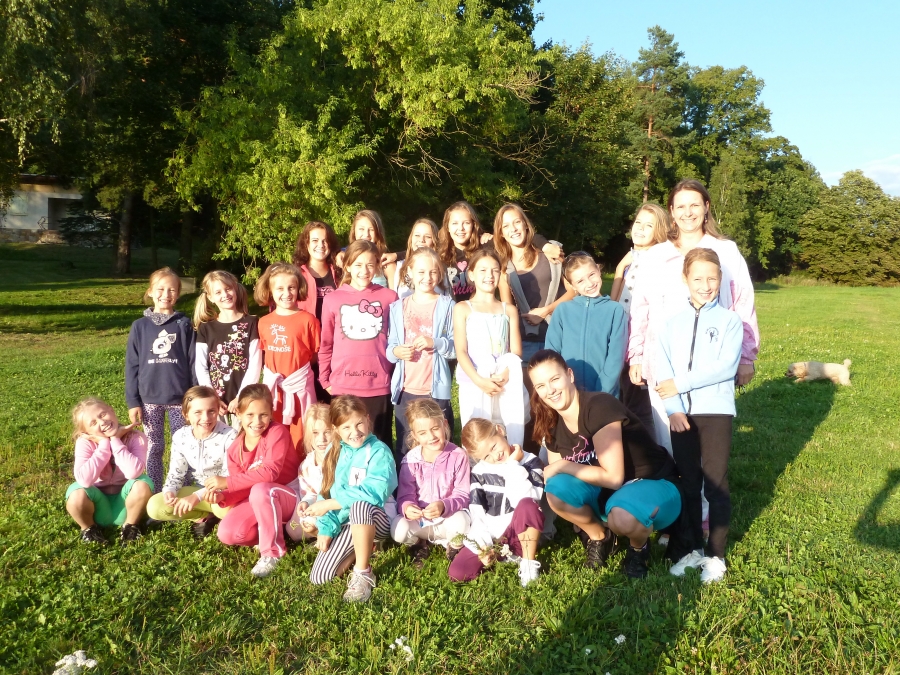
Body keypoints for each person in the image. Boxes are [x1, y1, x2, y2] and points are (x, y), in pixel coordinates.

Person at [628, 179, 759, 451]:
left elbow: (743, 303)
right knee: (669, 439)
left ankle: (704, 481)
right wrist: (637, 355)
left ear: (706, 207)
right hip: (663, 360)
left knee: (705, 445)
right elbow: (640, 307)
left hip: (710, 363)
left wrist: (746, 357)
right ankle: (675, 479)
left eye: (695, 205)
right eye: (681, 207)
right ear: (671, 211)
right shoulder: (656, 255)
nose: (688, 213)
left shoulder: (726, 251)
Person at [528, 349, 682, 579]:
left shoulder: (599, 406)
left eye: (554, 379)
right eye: (540, 386)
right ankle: (600, 537)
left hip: (654, 483)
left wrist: (563, 465)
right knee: (556, 490)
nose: (550, 390)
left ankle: (638, 549)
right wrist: (558, 471)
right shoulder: (550, 421)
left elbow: (613, 477)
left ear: (570, 375)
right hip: (609, 495)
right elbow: (559, 481)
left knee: (622, 516)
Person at [656, 248, 742, 583]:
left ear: (720, 279)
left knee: (715, 483)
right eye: (698, 279)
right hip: (681, 416)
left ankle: (716, 555)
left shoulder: (730, 322)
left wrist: (681, 383)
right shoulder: (671, 324)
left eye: (712, 278)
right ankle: (691, 548)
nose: (705, 286)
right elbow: (663, 368)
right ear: (685, 279)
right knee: (689, 483)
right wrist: (674, 409)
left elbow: (725, 367)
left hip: (716, 412)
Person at [307, 395, 398, 603]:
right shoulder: (333, 451)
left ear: (367, 419)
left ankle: (363, 573)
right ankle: (360, 548)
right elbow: (326, 491)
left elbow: (375, 491)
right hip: (347, 521)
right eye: (346, 427)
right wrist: (326, 528)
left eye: (359, 424)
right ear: (336, 429)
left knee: (360, 506)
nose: (355, 432)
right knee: (320, 578)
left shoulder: (379, 451)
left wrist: (332, 504)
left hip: (378, 518)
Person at [208, 385, 301, 578]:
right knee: (228, 533)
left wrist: (227, 482)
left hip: (290, 497)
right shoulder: (234, 450)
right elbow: (241, 486)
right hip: (260, 498)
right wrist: (223, 496)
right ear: (238, 414)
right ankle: (273, 530)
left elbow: (270, 473)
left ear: (271, 413)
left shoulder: (277, 432)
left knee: (261, 489)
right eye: (250, 415)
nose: (257, 421)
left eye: (263, 415)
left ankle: (272, 552)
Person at [318, 240, 398, 447]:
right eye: (358, 265)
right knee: (347, 443)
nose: (364, 271)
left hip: (378, 385)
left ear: (377, 266)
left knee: (379, 443)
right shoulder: (333, 299)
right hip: (343, 386)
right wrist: (325, 380)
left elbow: (396, 340)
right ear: (347, 266)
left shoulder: (389, 297)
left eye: (370, 265)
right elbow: (326, 343)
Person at [125, 267, 196, 493]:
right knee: (154, 446)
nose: (166, 294)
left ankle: (183, 490)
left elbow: (193, 361)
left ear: (178, 294)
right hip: (149, 400)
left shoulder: (184, 324)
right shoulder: (140, 326)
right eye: (161, 289)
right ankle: (154, 491)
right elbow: (132, 366)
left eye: (172, 290)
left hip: (180, 399)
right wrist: (133, 401)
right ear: (150, 291)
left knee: (183, 446)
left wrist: (194, 396)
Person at [451, 418, 544, 587]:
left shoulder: (530, 461)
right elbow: (478, 513)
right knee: (458, 572)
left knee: (527, 505)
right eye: (486, 456)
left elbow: (529, 499)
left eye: (493, 447)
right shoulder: (479, 471)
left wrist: (513, 465)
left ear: (500, 431)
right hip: (493, 536)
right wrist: (482, 548)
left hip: (519, 533)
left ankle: (528, 564)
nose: (495, 456)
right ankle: (498, 557)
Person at [386, 247, 456, 461]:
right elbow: (390, 348)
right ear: (409, 273)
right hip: (406, 389)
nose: (427, 277)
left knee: (439, 444)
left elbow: (456, 347)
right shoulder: (397, 307)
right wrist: (397, 352)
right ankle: (407, 482)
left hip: (434, 390)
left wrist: (435, 342)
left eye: (433, 272)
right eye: (421, 272)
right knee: (406, 446)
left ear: (440, 273)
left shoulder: (447, 305)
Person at [453, 249, 528, 445]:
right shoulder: (462, 308)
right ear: (471, 274)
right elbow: (461, 351)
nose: (490, 275)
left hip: (504, 382)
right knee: (478, 435)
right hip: (475, 382)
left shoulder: (509, 310)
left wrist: (505, 374)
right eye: (483, 270)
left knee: (505, 431)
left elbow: (516, 351)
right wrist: (479, 380)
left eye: (495, 270)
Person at [609, 204, 670, 435]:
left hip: (642, 342)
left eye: (649, 225)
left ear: (660, 231)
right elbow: (615, 302)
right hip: (622, 336)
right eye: (638, 223)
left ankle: (651, 450)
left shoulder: (658, 259)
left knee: (640, 405)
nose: (641, 229)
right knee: (622, 397)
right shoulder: (633, 258)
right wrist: (619, 267)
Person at [145, 386, 237, 538]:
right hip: (198, 490)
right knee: (154, 507)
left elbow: (227, 477)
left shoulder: (230, 435)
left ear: (218, 410)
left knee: (223, 509)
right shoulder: (181, 436)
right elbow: (176, 472)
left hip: (222, 493)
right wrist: (170, 491)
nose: (206, 418)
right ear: (186, 414)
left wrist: (196, 497)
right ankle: (203, 516)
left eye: (211, 411)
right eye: (198, 412)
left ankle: (220, 516)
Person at [493, 203, 576, 363]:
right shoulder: (503, 268)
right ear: (501, 233)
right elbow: (507, 311)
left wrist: (545, 311)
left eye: (517, 222)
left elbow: (574, 291)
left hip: (560, 335)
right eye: (506, 226)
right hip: (526, 342)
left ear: (525, 224)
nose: (513, 229)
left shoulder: (550, 253)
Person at [391, 399, 470, 566]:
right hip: (421, 523)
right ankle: (419, 543)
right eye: (423, 433)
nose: (431, 437)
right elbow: (404, 496)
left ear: (444, 424)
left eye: (435, 428)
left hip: (447, 520)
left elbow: (463, 494)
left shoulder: (458, 455)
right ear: (414, 435)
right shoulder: (410, 460)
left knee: (462, 521)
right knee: (398, 529)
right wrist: (408, 507)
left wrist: (444, 505)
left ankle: (454, 545)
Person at [254, 262, 321, 457]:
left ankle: (302, 469)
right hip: (274, 391)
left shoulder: (308, 320)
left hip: (299, 388)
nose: (286, 293)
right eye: (280, 288)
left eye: (291, 287)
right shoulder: (264, 322)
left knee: (302, 433)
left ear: (299, 288)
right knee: (273, 433)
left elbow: (315, 354)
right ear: (270, 291)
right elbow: (266, 353)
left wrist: (296, 375)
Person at [65, 397, 153, 544]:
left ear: (111, 411)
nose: (102, 422)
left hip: (126, 505)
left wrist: (116, 440)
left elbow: (133, 472)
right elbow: (84, 480)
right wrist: (103, 445)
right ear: (86, 431)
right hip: (98, 506)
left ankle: (130, 527)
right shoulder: (84, 443)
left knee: (143, 482)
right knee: (76, 492)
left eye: (103, 414)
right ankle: (89, 529)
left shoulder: (136, 437)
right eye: (93, 423)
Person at [545, 252, 627, 396]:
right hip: (568, 394)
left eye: (591, 275)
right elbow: (552, 353)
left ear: (598, 270)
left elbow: (616, 357)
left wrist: (602, 392)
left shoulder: (615, 310)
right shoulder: (563, 310)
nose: (589, 283)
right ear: (572, 285)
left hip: (604, 396)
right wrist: (563, 387)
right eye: (580, 281)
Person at [193, 271, 262, 421]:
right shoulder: (206, 328)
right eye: (218, 292)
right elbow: (201, 366)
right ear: (210, 297)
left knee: (243, 435)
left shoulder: (251, 323)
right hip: (215, 402)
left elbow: (255, 364)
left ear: (235, 289)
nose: (225, 294)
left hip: (244, 399)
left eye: (228, 289)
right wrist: (213, 398)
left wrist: (241, 396)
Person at [293, 221, 342, 403]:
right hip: (308, 351)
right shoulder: (296, 274)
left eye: (325, 240)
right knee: (312, 408)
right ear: (306, 243)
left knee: (336, 406)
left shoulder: (341, 272)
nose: (320, 245)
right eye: (315, 240)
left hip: (336, 350)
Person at [287, 403, 332, 541]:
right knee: (295, 529)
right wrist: (306, 502)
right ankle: (320, 534)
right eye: (315, 433)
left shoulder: (343, 458)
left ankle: (332, 537)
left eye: (327, 432)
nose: (322, 439)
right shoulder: (307, 465)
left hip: (338, 506)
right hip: (318, 507)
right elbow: (310, 493)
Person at [392, 218, 448, 299]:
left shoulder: (442, 268)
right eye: (417, 235)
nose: (421, 240)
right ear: (411, 239)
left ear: (434, 241)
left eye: (428, 237)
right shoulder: (399, 266)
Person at [347, 209, 396, 289]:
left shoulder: (387, 264)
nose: (366, 234)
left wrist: (397, 255)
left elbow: (394, 295)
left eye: (371, 230)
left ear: (378, 233)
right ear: (354, 231)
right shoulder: (346, 259)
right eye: (361, 229)